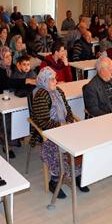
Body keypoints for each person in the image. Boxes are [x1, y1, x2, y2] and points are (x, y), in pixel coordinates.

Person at [32, 67, 89, 198]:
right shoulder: (40, 95)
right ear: (44, 81)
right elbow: (43, 122)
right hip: (50, 132)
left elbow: (68, 110)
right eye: (52, 79)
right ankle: (55, 181)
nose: (55, 81)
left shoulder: (58, 91)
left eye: (55, 78)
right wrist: (61, 125)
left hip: (64, 127)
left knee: (82, 141)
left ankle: (78, 175)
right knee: (55, 148)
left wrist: (69, 121)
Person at [0, 46, 36, 158]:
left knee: (23, 109)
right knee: (11, 115)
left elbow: (20, 72)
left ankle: (18, 136)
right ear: (0, 58)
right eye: (6, 57)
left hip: (8, 98)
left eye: (10, 56)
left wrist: (25, 73)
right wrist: (26, 80)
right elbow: (8, 83)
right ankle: (7, 144)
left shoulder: (9, 68)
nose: (9, 59)